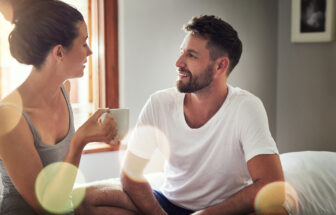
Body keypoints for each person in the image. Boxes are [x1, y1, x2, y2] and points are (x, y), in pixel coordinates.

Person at [76, 15, 287, 215]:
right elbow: (130, 174)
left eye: (191, 55)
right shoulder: (160, 103)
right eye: (181, 51)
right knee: (87, 198)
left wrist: (206, 213)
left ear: (220, 65)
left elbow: (272, 184)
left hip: (223, 209)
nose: (179, 62)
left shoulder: (246, 107)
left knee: (276, 211)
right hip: (168, 204)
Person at [0, 1, 118, 214]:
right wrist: (80, 140)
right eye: (84, 43)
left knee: (122, 199)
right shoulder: (9, 116)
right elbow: (45, 205)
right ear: (59, 53)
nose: (90, 51)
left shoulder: (65, 89)